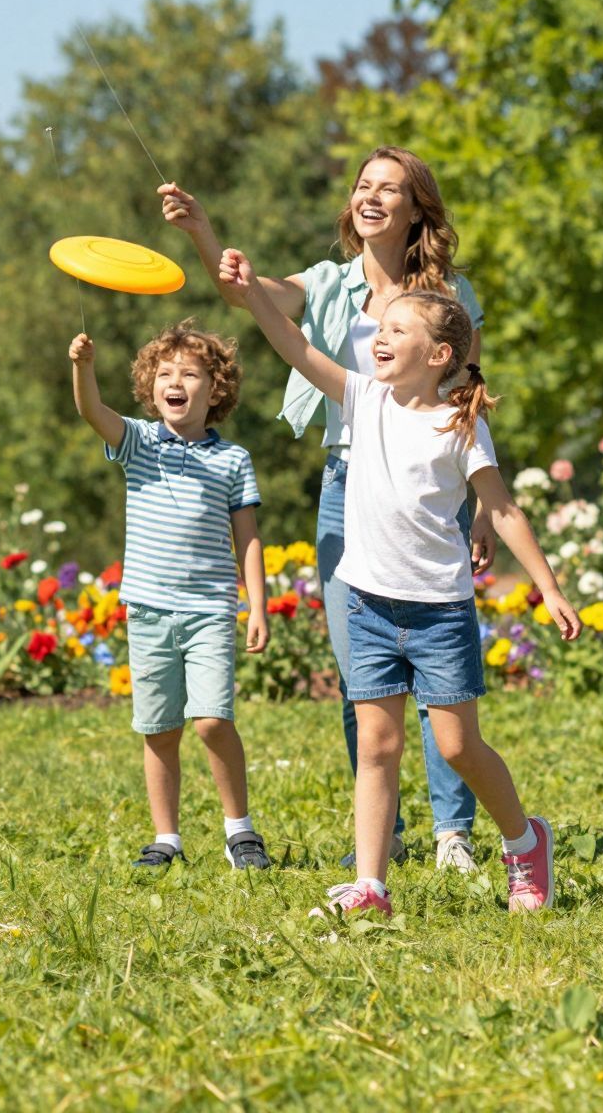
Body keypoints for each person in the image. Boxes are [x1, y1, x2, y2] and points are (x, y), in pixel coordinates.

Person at [215, 243, 582, 915]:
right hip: (369, 604)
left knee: (457, 745)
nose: (380, 338)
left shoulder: (459, 426)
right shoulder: (364, 400)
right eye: (379, 331)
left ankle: (526, 842)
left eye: (397, 331)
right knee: (377, 744)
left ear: (439, 355)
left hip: (439, 612)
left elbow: (501, 510)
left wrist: (548, 587)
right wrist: (254, 294)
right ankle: (371, 884)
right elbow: (294, 345)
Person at [157, 149, 489, 872]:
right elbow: (249, 296)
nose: (370, 197)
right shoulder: (329, 282)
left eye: (389, 189)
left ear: (416, 210)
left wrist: (485, 507)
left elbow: (469, 400)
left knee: (440, 679)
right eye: (363, 185)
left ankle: (452, 832)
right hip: (349, 486)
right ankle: (385, 832)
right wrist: (203, 234)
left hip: (432, 492)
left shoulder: (451, 295)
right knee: (361, 668)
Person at [70, 321, 272, 872]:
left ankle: (240, 831)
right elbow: (93, 411)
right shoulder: (139, 442)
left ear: (216, 390)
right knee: (159, 729)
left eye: (189, 373)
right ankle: (167, 838)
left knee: (211, 720)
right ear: (151, 387)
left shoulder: (232, 461)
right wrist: (83, 368)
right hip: (150, 609)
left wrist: (257, 604)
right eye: (164, 374)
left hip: (209, 610)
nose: (174, 382)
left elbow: (247, 536)